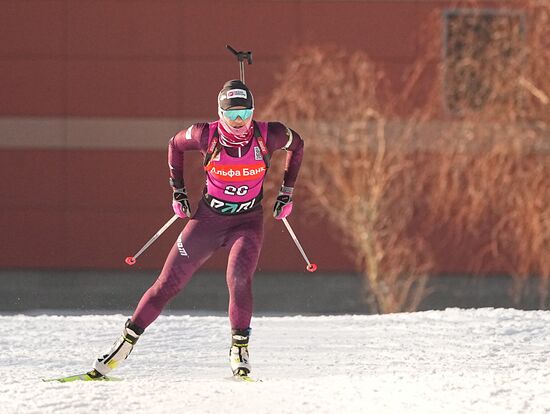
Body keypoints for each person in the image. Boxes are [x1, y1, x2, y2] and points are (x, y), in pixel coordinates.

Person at [86, 79, 304, 379]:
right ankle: (123, 345)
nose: (239, 122)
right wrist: (178, 191)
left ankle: (239, 349)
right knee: (168, 283)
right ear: (220, 113)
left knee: (239, 278)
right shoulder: (205, 134)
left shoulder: (269, 134)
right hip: (207, 221)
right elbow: (174, 145)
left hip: (247, 222)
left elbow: (299, 143)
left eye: (245, 114)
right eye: (232, 115)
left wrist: (286, 192)